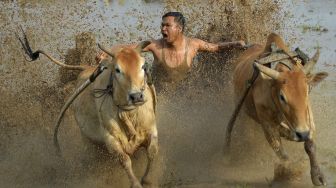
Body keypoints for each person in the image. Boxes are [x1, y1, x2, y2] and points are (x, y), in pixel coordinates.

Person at [96, 12, 245, 90]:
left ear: (179, 29)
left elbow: (216, 47)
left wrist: (236, 44)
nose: (163, 29)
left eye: (167, 25)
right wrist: (107, 52)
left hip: (182, 94)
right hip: (157, 94)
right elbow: (127, 47)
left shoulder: (193, 45)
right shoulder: (154, 45)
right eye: (162, 25)